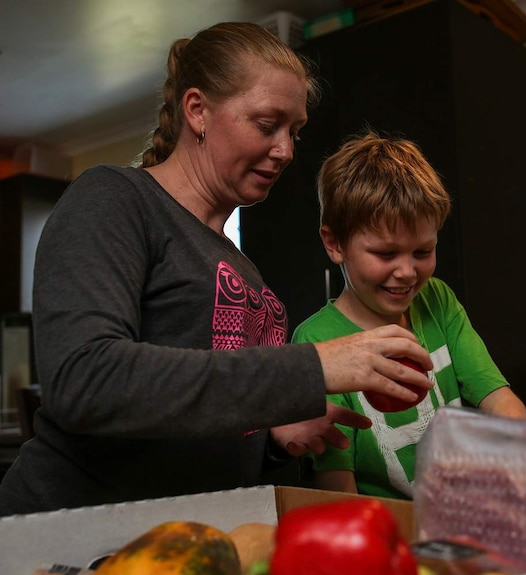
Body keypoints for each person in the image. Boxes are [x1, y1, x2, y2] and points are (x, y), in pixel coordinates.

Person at [0, 22, 433, 517]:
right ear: (198, 110)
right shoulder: (114, 199)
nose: (287, 150)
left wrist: (269, 437)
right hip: (67, 533)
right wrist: (315, 366)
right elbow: (86, 380)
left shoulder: (241, 264)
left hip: (180, 536)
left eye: (294, 131)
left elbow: (197, 415)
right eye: (267, 124)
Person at [291, 132, 526, 501]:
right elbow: (337, 488)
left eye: (422, 251)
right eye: (386, 254)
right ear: (334, 243)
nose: (406, 272)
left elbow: (500, 400)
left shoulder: (437, 300)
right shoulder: (316, 341)